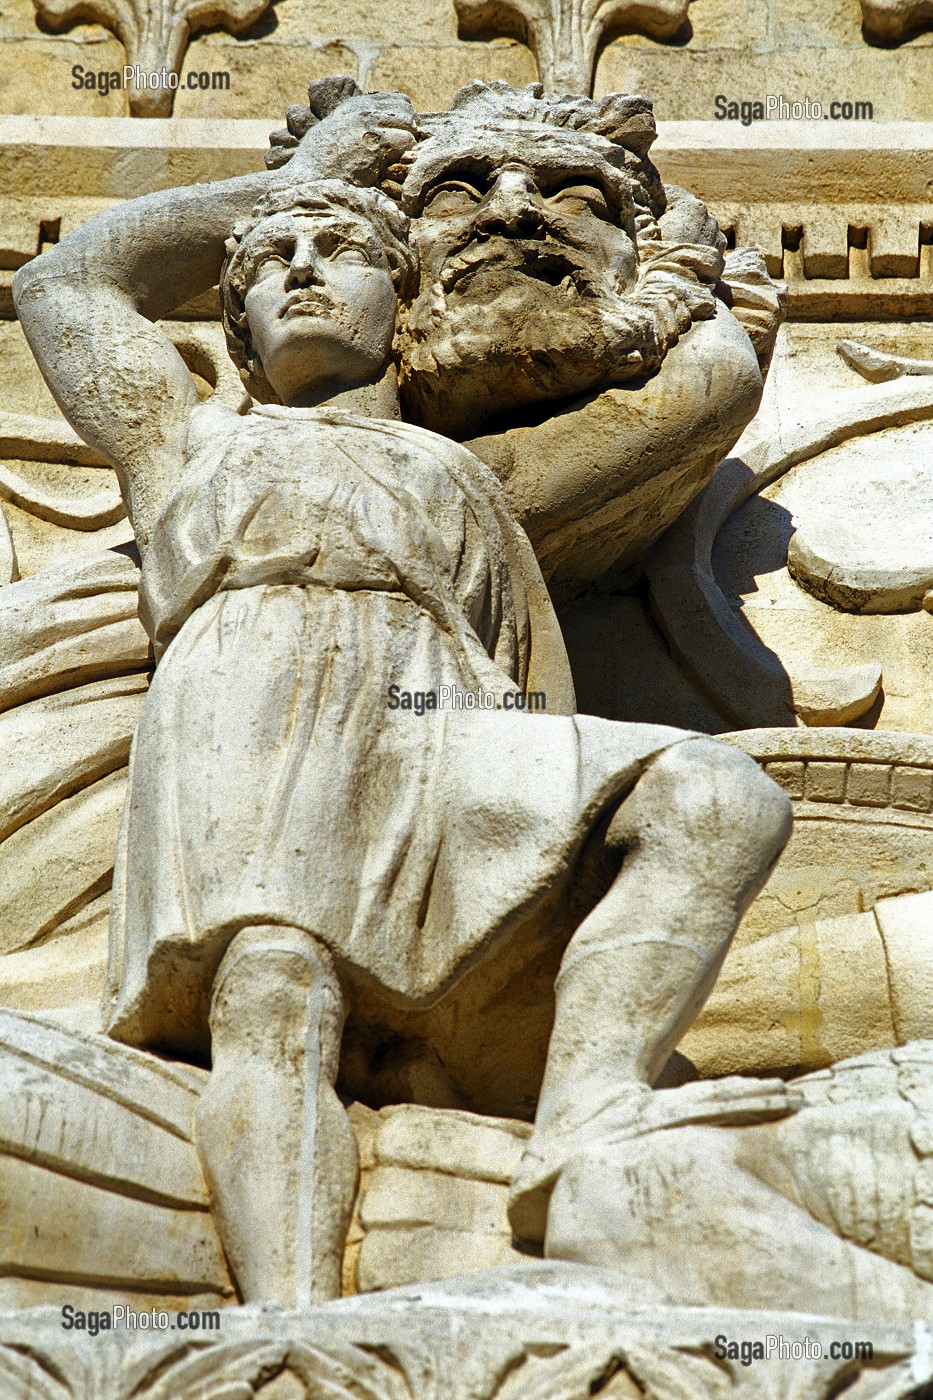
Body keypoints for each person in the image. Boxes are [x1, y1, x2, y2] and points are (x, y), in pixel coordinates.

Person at [13, 92, 793, 1305]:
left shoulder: (469, 473)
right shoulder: (187, 442)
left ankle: (588, 1123)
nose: (306, 275)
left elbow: (665, 426)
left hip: (447, 722)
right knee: (275, 987)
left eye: (344, 254)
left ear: (406, 294)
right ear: (233, 323)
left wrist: (689, 314)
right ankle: (290, 1317)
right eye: (273, 267)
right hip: (251, 712)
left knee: (712, 792)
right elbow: (66, 284)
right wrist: (303, 185)